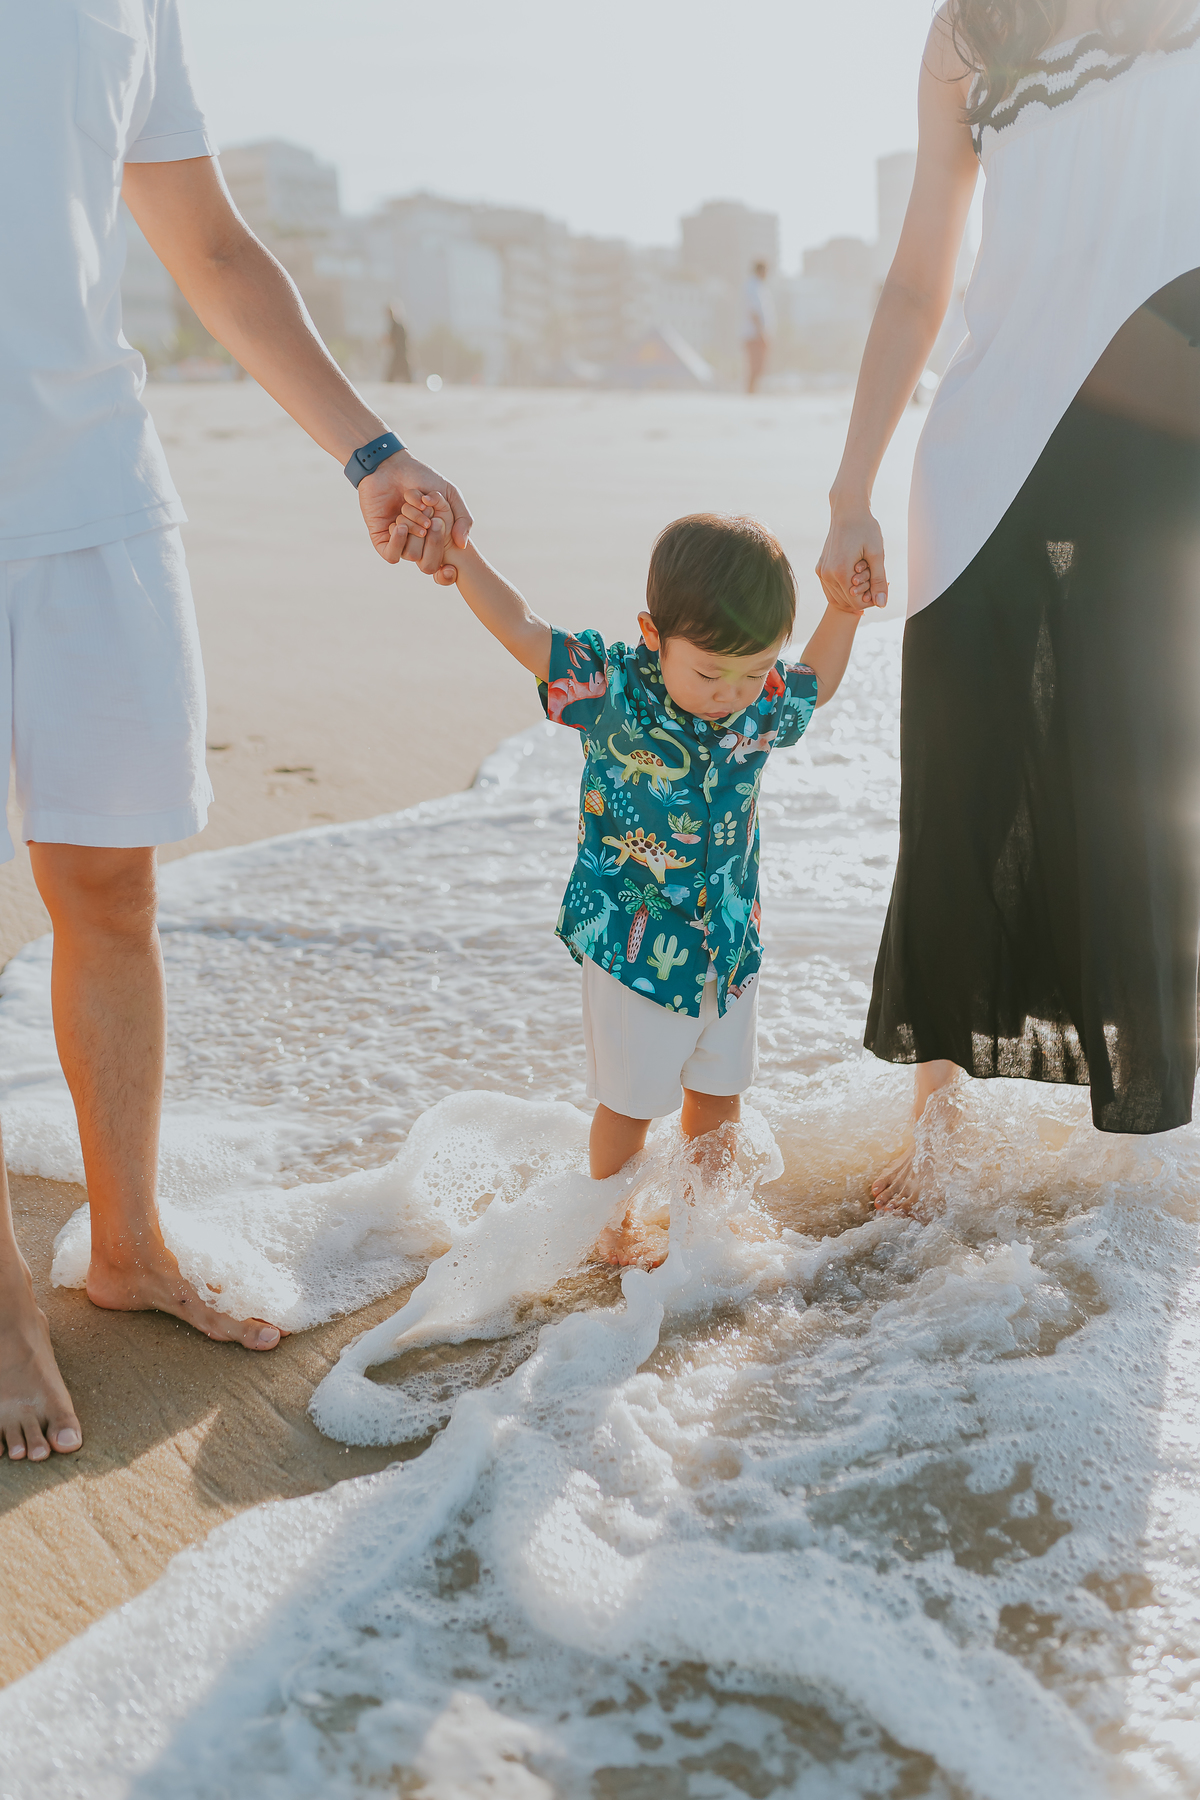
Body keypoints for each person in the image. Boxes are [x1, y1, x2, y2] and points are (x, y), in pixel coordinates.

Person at [0, 0, 468, 1463]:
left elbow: (205, 244)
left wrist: (369, 450)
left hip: (88, 494)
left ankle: (126, 1240)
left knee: (109, 888)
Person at [817, 0, 1200, 1212]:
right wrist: (850, 489)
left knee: (1152, 764)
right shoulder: (966, 31)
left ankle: (1158, 1148)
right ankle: (938, 1132)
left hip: (1167, 432)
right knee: (961, 773)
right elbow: (921, 270)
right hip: (990, 440)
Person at [404, 500, 860, 1263]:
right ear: (654, 635)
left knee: (720, 1096)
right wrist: (463, 561)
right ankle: (607, 1223)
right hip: (636, 947)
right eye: (711, 671)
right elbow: (525, 632)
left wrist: (842, 608)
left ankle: (706, 1216)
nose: (731, 692)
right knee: (632, 1102)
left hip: (729, 943)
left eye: (753, 671)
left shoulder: (762, 703)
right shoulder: (614, 692)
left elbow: (818, 679)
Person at [742, 260, 774, 394]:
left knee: (758, 366)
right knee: (756, 366)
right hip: (754, 333)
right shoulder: (753, 286)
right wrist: (762, 333)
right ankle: (750, 393)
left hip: (756, 333)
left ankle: (752, 393)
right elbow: (754, 312)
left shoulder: (759, 287)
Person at [386, 305, 412, 384]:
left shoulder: (395, 324)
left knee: (394, 371)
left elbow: (393, 339)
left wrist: (384, 341)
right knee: (404, 371)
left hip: (399, 352)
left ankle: (389, 383)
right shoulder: (400, 324)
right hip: (402, 352)